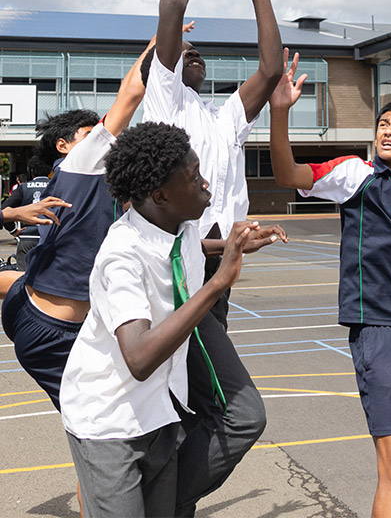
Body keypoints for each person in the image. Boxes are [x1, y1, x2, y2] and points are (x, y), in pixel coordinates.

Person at [60, 120, 284, 518]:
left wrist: (230, 244)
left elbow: (184, 246)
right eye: (194, 176)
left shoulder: (178, 221)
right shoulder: (121, 256)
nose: (205, 182)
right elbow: (140, 358)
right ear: (160, 195)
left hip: (159, 413)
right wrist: (217, 284)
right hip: (111, 421)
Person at [269, 48, 391, 518]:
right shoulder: (354, 175)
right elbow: (287, 173)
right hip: (378, 332)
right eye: (382, 124)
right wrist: (280, 113)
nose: (387, 131)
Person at [141, 0, 283, 326]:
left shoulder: (222, 119)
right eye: (184, 53)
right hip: (179, 264)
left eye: (198, 51)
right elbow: (172, 9)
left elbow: (271, 69)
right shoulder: (166, 99)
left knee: (198, 379)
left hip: (220, 263)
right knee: (200, 376)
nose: (194, 53)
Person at [1, 38, 154, 411]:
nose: (105, 137)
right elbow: (131, 93)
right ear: (64, 146)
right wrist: (159, 39)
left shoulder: (99, 183)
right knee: (104, 426)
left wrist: (7, 214)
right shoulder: (81, 164)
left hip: (35, 301)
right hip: (53, 331)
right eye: (91, 134)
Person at [2, 155, 51, 270]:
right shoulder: (57, 186)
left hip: (28, 237)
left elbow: (5, 210)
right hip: (50, 237)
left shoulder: (24, 188)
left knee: (23, 277)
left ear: (32, 172)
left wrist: (13, 230)